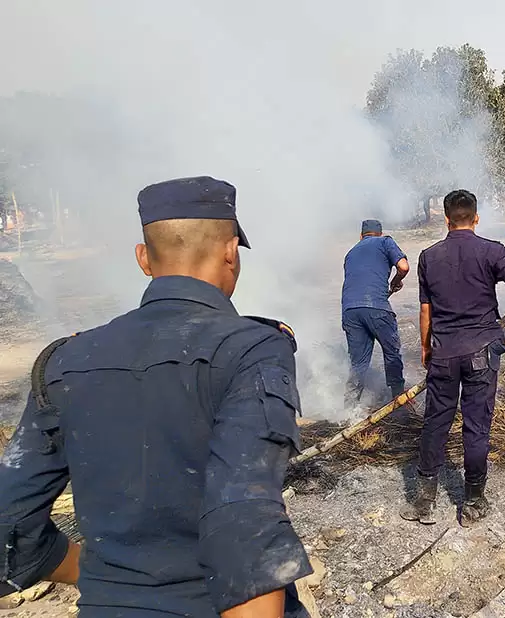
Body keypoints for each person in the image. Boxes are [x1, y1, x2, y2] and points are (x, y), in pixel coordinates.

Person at [0, 177, 312, 616]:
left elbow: (7, 523)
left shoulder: (64, 361)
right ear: (230, 252)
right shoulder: (251, 349)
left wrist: (99, 574)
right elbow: (244, 518)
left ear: (143, 259)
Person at [403, 189, 505, 525]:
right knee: (476, 426)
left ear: (446, 219)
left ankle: (424, 501)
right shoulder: (492, 251)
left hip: (444, 352)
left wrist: (426, 348)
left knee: (436, 422)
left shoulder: (429, 256)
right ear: (476, 218)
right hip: (481, 351)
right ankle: (473, 502)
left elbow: (425, 310)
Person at [342, 219, 409, 404]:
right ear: (379, 233)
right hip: (376, 307)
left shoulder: (350, 253)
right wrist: (396, 281)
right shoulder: (385, 242)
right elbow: (403, 267)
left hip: (350, 311)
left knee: (358, 362)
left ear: (361, 236)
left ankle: (349, 409)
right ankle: (398, 396)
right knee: (392, 350)